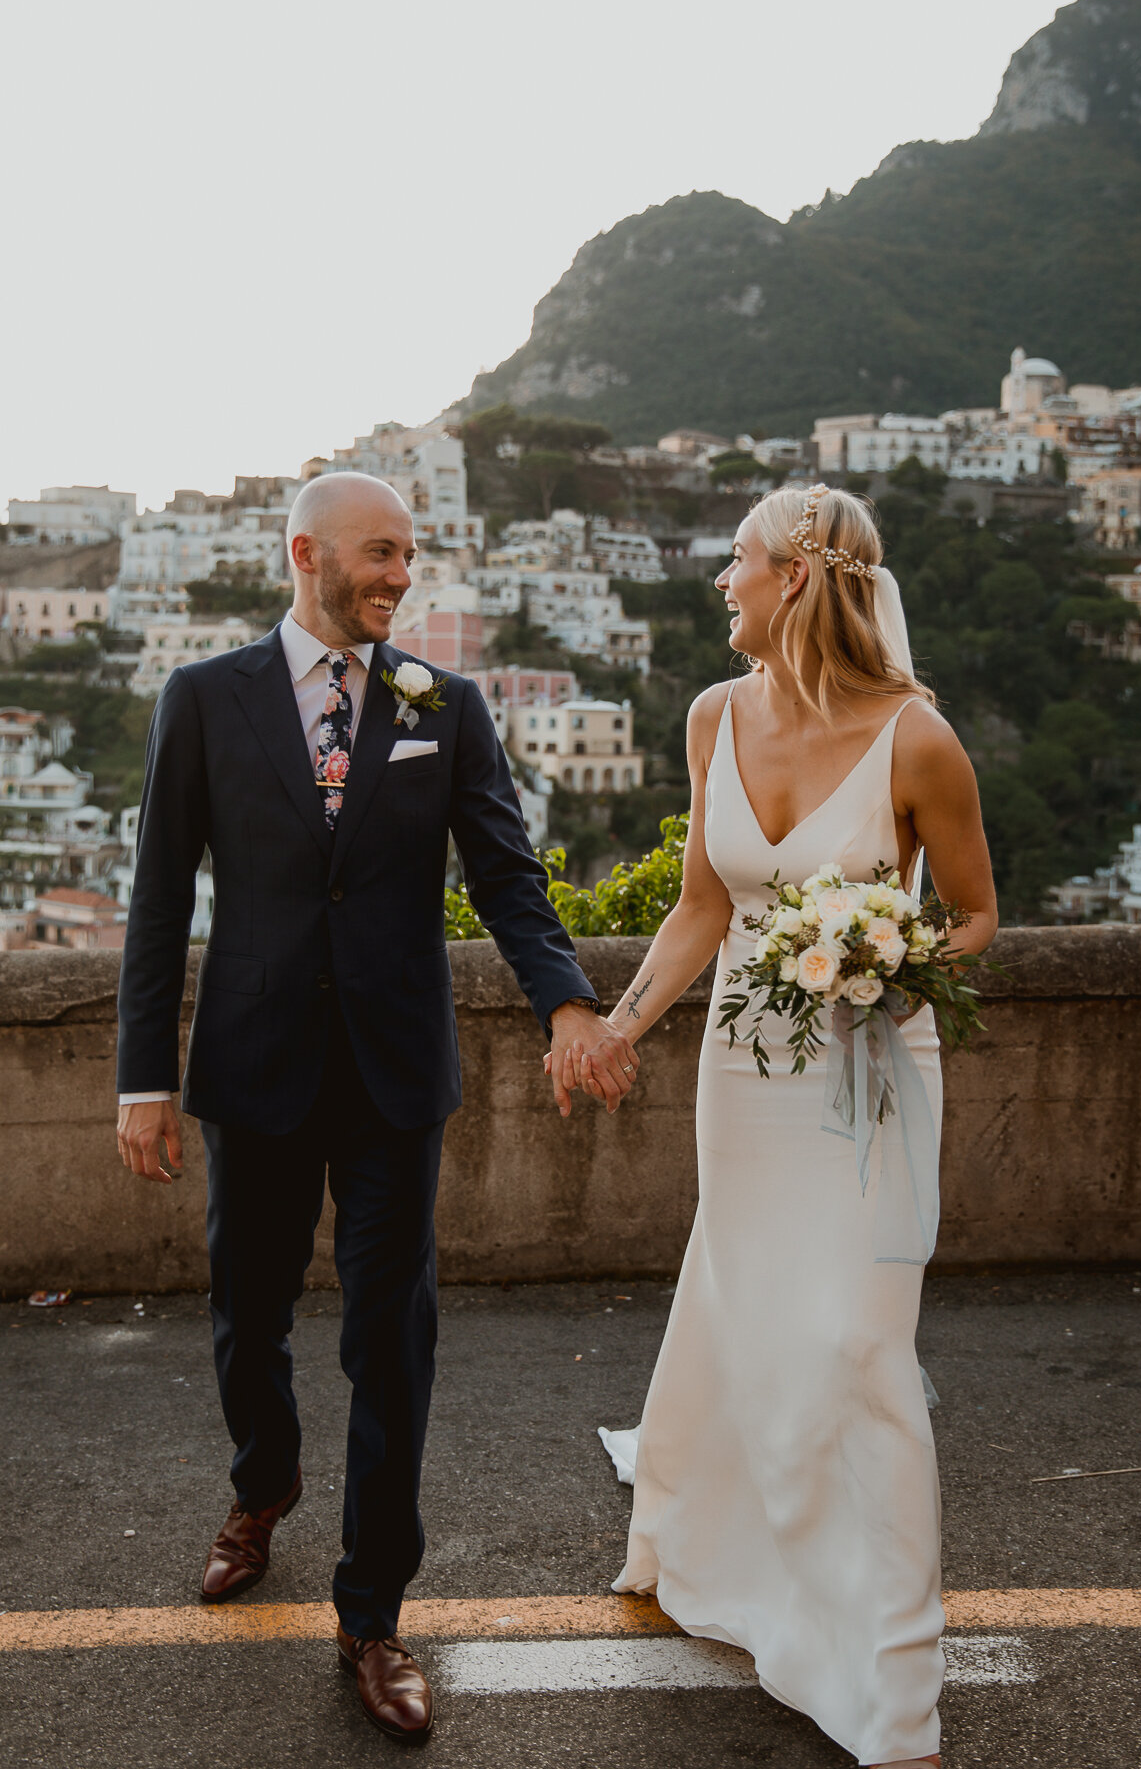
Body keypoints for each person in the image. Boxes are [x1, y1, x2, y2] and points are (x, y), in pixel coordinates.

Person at [115, 471, 637, 1744]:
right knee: (246, 1311)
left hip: (398, 1075)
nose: (401, 576)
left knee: (392, 1345)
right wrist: (144, 1079)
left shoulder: (442, 707)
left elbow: (507, 873)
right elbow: (154, 897)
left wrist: (568, 1003)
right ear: (306, 553)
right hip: (254, 1064)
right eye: (380, 554)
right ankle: (264, 1483)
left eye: (411, 556)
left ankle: (374, 1614)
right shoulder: (204, 699)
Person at [598, 485, 998, 1768]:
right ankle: (709, 1538)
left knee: (856, 1343)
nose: (721, 580)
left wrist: (888, 956)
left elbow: (980, 914)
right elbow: (702, 912)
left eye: (735, 560)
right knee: (748, 1299)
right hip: (743, 1070)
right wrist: (618, 1027)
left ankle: (891, 1686)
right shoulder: (715, 715)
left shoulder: (919, 739)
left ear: (794, 581)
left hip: (869, 1072)